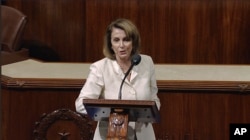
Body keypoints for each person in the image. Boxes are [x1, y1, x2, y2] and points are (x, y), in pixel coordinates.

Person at [75, 18, 161, 140]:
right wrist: (112, 111)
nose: (121, 45)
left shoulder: (146, 62)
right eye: (116, 40)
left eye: (126, 40)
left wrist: (148, 112)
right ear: (110, 44)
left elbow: (154, 99)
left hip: (143, 134)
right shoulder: (100, 67)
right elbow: (80, 104)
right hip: (110, 134)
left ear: (133, 42)